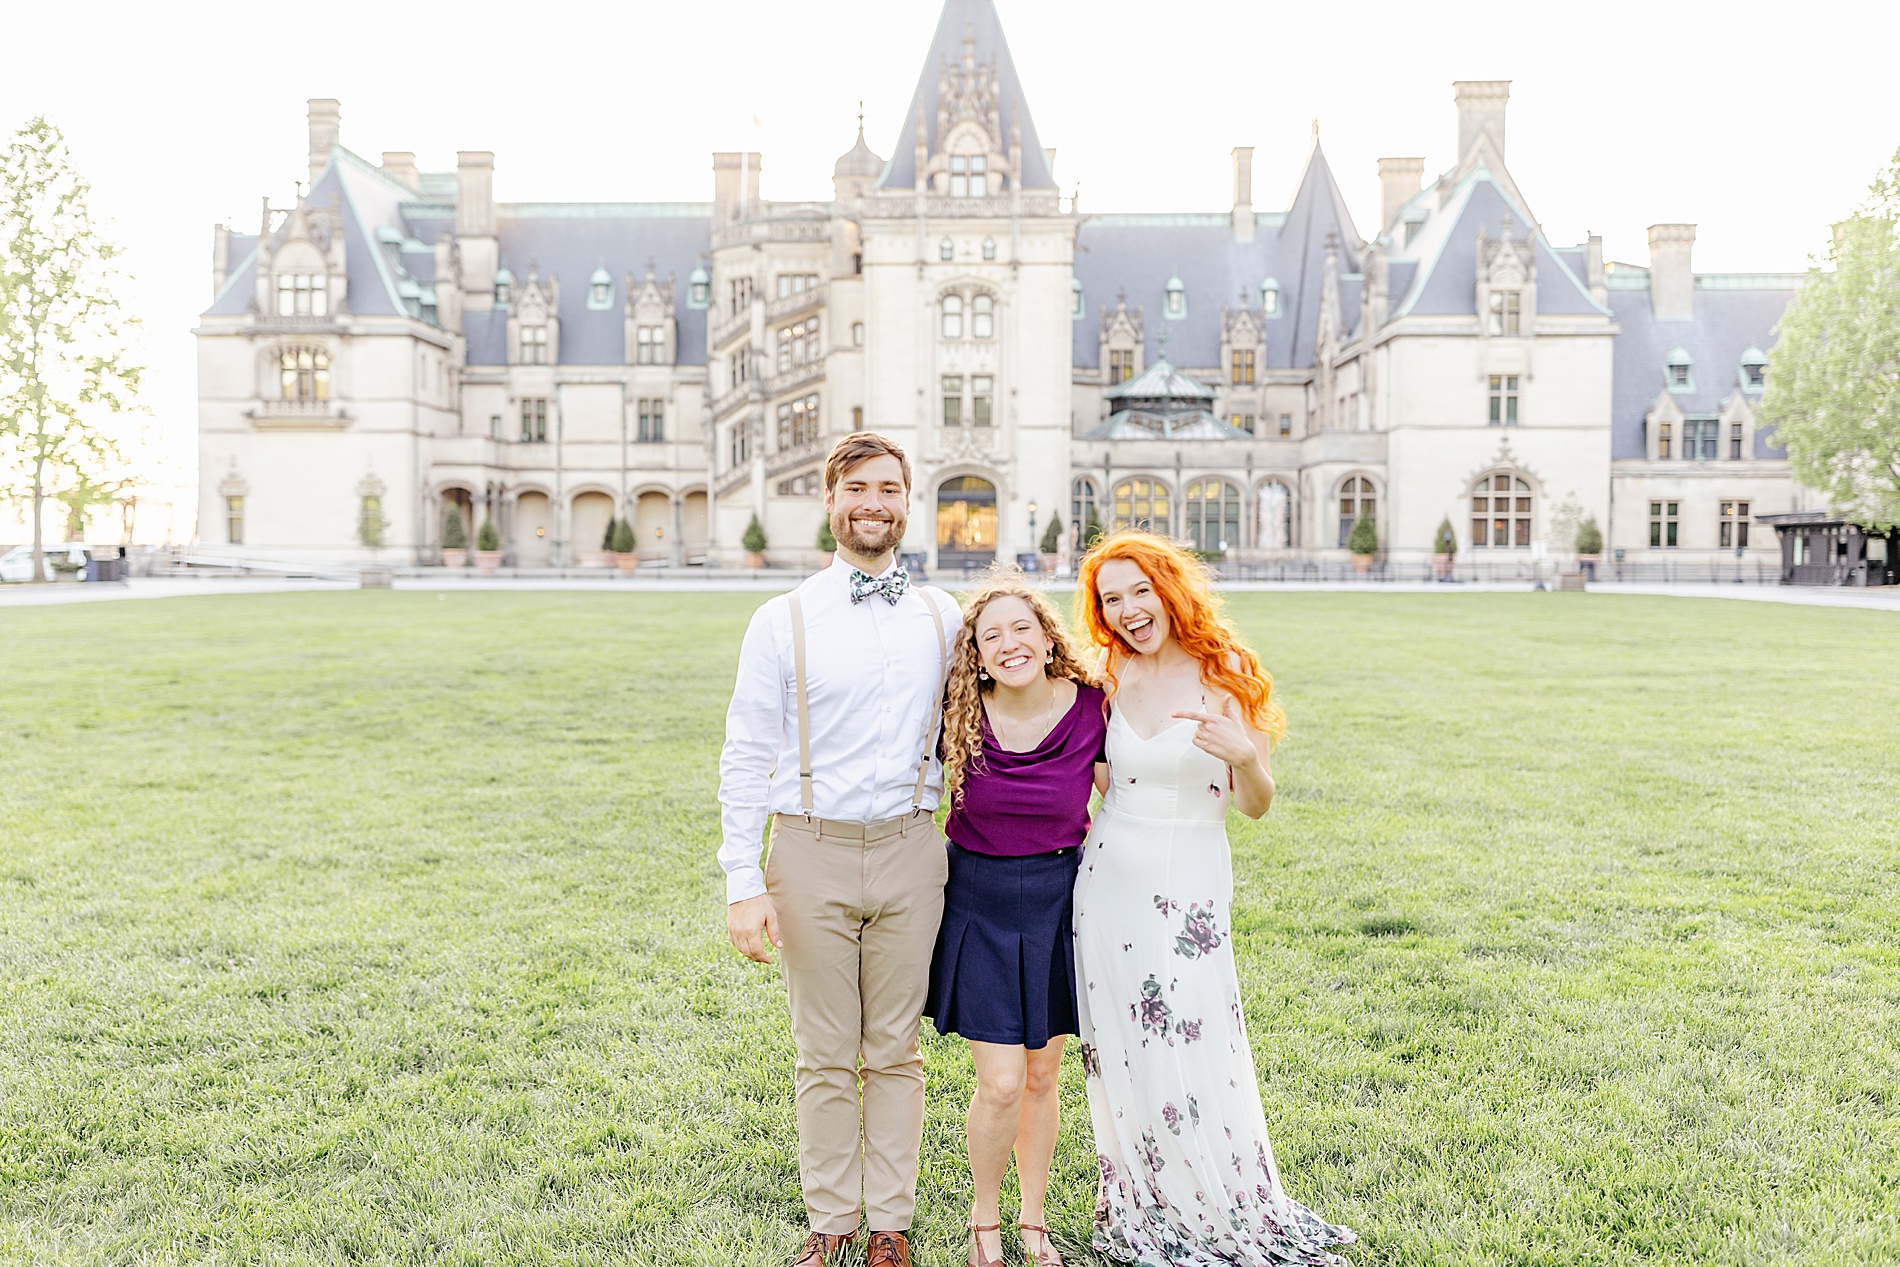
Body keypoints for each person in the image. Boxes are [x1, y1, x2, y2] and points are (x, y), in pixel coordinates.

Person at [1071, 532, 1355, 1266]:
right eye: (1113, 599)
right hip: (1107, 885)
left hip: (1191, 880)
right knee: (1124, 1040)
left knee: (1195, 1030)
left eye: (1141, 591)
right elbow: (1105, 783)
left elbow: (1256, 802)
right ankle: (1139, 1189)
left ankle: (1216, 1190)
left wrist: (1244, 759)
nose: (1130, 610)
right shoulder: (1109, 674)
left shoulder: (1223, 672)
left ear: (1170, 589)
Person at [719, 432, 959, 1267]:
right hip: (809, 851)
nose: (874, 503)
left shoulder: (943, 612)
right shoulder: (781, 619)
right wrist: (740, 879)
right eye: (858, 487)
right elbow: (747, 753)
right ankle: (831, 1221)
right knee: (823, 1050)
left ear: (905, 501)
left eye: (890, 488)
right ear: (830, 499)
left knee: (894, 1048)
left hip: (911, 851)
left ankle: (889, 1221)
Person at [924, 573, 1108, 1267]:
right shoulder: (957, 715)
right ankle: (984, 1217)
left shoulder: (1092, 708)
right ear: (974, 653)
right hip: (979, 900)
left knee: (1040, 1076)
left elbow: (1124, 805)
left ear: (1046, 634)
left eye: (1020, 628)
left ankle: (1033, 1221)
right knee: (999, 1080)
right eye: (990, 634)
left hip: (1061, 901)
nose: (1009, 643)